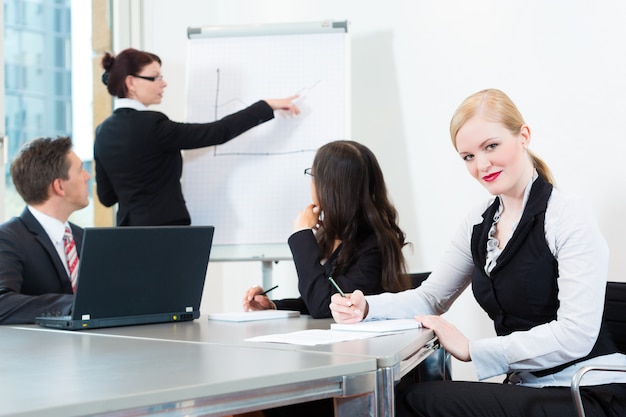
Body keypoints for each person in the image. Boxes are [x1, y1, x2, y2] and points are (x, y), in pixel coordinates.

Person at [330, 89, 626, 416]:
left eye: (491, 146)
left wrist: (472, 350)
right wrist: (367, 306)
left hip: (586, 390)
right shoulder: (479, 222)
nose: (482, 165)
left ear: (523, 135)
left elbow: (576, 335)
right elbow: (431, 297)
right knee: (404, 395)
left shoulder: (567, 215)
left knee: (414, 401)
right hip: (528, 386)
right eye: (468, 157)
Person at [94, 48, 301, 226]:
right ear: (131, 82)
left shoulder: (102, 132)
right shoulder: (152, 124)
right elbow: (217, 132)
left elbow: (107, 197)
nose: (163, 83)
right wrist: (265, 105)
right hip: (166, 234)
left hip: (128, 237)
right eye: (155, 77)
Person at [243, 140, 411, 319]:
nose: (312, 184)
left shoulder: (374, 245)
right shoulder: (338, 236)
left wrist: (301, 235)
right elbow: (319, 296)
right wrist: (273, 306)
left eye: (314, 176)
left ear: (331, 187)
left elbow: (323, 306)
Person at [0, 136, 90, 324]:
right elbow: (2, 303)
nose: (87, 176)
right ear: (59, 186)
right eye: (80, 170)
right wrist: (75, 305)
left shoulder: (83, 237)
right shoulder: (8, 238)